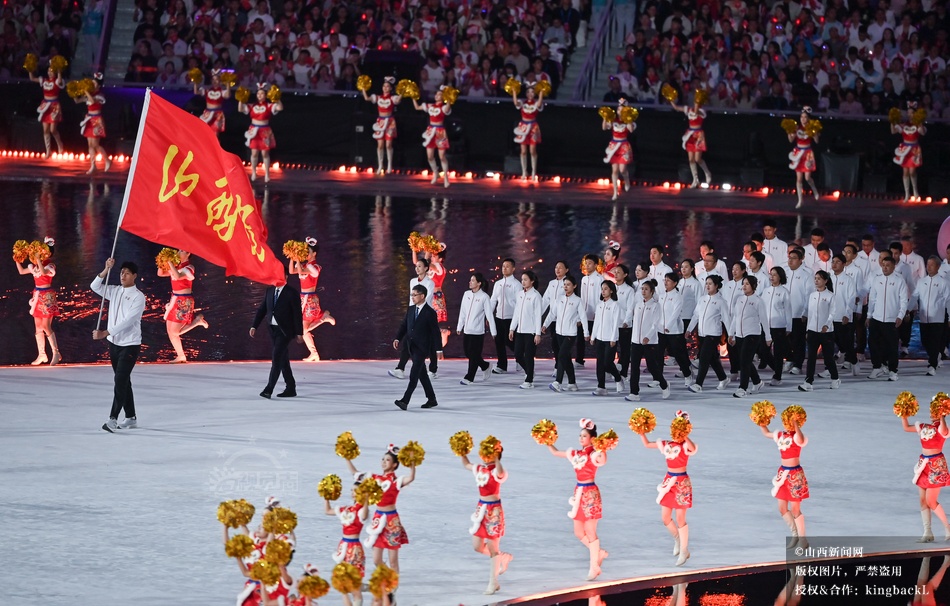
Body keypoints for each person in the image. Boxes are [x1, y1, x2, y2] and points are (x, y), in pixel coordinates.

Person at [546, 418, 609, 580]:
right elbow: (556, 452)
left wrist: (602, 448)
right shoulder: (576, 454)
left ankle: (594, 567)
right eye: (580, 436)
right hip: (579, 493)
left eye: (584, 436)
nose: (581, 438)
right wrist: (546, 440)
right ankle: (598, 553)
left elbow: (602, 460)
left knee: (590, 530)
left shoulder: (594, 454)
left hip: (590, 493)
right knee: (578, 532)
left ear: (592, 439)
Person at [91, 258, 147, 432]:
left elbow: (129, 321)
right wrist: (106, 269)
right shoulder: (114, 291)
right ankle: (131, 417)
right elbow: (95, 286)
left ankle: (112, 419)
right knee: (123, 381)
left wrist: (105, 333)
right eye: (122, 272)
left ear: (134, 276)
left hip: (130, 344)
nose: (123, 275)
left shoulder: (138, 297)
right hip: (114, 344)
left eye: (127, 273)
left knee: (120, 380)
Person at [345, 446, 416, 580]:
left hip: (391, 521)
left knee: (393, 561)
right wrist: (347, 458)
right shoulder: (374, 478)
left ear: (394, 464)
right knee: (376, 560)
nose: (383, 462)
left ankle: (393, 586)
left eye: (387, 460)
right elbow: (355, 473)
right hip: (378, 521)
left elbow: (411, 477)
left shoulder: (396, 481)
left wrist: (412, 462)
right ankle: (389, 579)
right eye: (383, 459)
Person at [640, 410, 696, 566]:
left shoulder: (685, 445)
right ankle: (677, 539)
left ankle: (684, 550)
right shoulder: (666, 444)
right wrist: (641, 432)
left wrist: (685, 435)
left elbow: (692, 449)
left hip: (682, 483)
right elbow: (647, 444)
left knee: (680, 518)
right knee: (665, 517)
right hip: (668, 482)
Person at [460, 439, 513, 594]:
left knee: (492, 547)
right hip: (481, 510)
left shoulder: (497, 471)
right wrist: (462, 452)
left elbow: (501, 472)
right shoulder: (480, 469)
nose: (485, 456)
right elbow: (466, 464)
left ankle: (493, 582)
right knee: (477, 546)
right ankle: (502, 557)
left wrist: (496, 459)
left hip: (494, 511)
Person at [758, 407, 810, 549]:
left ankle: (803, 539)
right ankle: (795, 535)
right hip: (783, 474)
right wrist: (761, 422)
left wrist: (795, 424)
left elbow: (800, 439)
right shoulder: (781, 435)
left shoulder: (797, 437)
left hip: (795, 475)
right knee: (782, 508)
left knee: (795, 509)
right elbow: (767, 433)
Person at [902, 402, 950, 543]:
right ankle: (927, 532)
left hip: (936, 467)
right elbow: (906, 427)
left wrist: (942, 416)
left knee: (931, 500)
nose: (931, 413)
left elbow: (944, 431)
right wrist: (903, 415)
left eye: (935, 411)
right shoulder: (924, 427)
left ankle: (948, 527)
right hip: (923, 465)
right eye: (931, 411)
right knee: (923, 500)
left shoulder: (942, 428)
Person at [250, 278, 303, 399]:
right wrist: (254, 326)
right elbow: (262, 309)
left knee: (277, 357)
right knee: (283, 358)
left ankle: (269, 389)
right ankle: (291, 387)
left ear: (286, 277)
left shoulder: (291, 292)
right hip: (272, 329)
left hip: (285, 331)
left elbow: (297, 313)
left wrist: (299, 332)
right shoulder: (270, 291)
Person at [393, 284, 442, 410]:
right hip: (411, 346)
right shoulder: (410, 309)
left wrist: (438, 349)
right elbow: (404, 325)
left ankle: (405, 400)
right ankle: (432, 399)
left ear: (422, 296)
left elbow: (435, 332)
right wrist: (398, 338)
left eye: (415, 295)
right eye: (412, 295)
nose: (412, 297)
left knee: (414, 374)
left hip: (422, 348)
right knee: (422, 374)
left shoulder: (429, 312)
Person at [15, 236, 62, 366]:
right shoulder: (35, 266)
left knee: (46, 326)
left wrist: (38, 260)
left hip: (47, 297)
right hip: (37, 296)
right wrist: (17, 260)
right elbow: (21, 271)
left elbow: (43, 272)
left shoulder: (50, 266)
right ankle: (42, 354)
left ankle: (56, 353)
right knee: (38, 326)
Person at [157, 249, 209, 363]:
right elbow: (160, 273)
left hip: (184, 301)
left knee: (175, 331)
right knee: (170, 331)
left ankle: (197, 321)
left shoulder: (190, 268)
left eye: (181, 251)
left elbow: (178, 276)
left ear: (188, 254)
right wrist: (162, 261)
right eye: (178, 251)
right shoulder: (176, 266)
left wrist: (170, 263)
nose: (178, 253)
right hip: (174, 299)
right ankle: (181, 356)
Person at [290, 237, 335, 362]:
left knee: (303, 329)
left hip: (310, 300)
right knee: (303, 329)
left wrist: (297, 259)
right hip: (303, 299)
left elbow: (302, 271)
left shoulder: (315, 267)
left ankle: (323, 318)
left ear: (314, 253)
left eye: (308, 252)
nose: (306, 254)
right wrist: (292, 257)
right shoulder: (305, 265)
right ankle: (314, 354)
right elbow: (292, 271)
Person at [324, 479, 368, 605]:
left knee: (353, 583)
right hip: (343, 547)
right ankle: (370, 588)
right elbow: (328, 511)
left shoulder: (361, 510)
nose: (353, 493)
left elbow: (364, 516)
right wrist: (326, 497)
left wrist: (366, 500)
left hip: (354, 548)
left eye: (356, 491)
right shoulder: (346, 509)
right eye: (352, 490)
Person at [798, 270, 844, 391]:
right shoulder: (812, 295)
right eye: (815, 278)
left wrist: (826, 325)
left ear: (825, 281)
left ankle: (835, 378)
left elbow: (832, 313)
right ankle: (808, 382)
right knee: (811, 357)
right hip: (813, 330)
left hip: (826, 332)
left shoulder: (830, 296)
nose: (816, 281)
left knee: (828, 358)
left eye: (819, 278)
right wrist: (808, 330)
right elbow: (810, 314)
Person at [389, 258, 435, 379]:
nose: (417, 268)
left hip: (425, 314)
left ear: (426, 268)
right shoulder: (412, 281)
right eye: (416, 266)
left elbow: (428, 299)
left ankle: (433, 369)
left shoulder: (430, 283)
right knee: (408, 339)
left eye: (420, 266)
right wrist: (410, 312)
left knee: (429, 341)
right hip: (413, 311)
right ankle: (400, 368)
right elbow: (411, 298)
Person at [543, 274, 588, 392]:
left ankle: (557, 382)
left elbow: (583, 317)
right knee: (566, 358)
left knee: (562, 355)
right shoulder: (559, 299)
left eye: (568, 284)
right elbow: (552, 314)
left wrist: (586, 333)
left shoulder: (577, 301)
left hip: (570, 334)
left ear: (574, 286)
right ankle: (572, 383)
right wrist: (545, 325)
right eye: (564, 285)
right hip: (559, 332)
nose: (566, 287)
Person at [686, 275, 732, 393]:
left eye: (710, 283)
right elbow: (696, 316)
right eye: (706, 283)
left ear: (716, 286)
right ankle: (723, 378)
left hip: (713, 334)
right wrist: (689, 329)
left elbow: (727, 320)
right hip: (702, 333)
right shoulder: (702, 299)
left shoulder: (721, 302)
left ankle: (698, 384)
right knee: (712, 358)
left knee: (704, 358)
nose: (707, 286)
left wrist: (731, 334)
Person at [627, 279, 670, 401]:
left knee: (652, 367)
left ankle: (664, 384)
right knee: (634, 367)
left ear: (652, 291)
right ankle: (634, 393)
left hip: (649, 342)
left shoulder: (656, 306)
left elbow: (655, 324)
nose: (643, 291)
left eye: (646, 289)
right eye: (642, 289)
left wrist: (648, 336)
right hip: (636, 341)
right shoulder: (638, 305)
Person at [867, 254, 908, 381]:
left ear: (893, 267)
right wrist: (869, 315)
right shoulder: (877, 279)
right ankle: (877, 367)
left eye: (887, 265)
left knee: (891, 346)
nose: (884, 268)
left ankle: (893, 370)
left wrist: (900, 315)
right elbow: (872, 299)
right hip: (876, 318)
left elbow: (903, 300)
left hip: (891, 319)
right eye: (883, 265)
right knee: (873, 343)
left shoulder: (899, 280)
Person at [728, 276, 770, 397]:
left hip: (752, 334)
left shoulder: (758, 301)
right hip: (739, 334)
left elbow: (764, 319)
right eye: (743, 284)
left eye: (747, 284)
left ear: (753, 286)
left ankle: (743, 387)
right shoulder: (739, 299)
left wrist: (768, 336)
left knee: (744, 361)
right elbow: (736, 317)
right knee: (744, 360)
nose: (744, 286)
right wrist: (731, 333)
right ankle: (757, 382)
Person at [911, 257, 950, 375]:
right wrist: (907, 309)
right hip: (924, 318)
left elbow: (948, 301)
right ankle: (936, 355)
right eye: (927, 264)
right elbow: (914, 296)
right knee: (925, 341)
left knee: (934, 342)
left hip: (937, 318)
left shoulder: (943, 282)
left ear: (938, 267)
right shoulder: (921, 282)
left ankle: (932, 365)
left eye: (931, 265)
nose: (929, 267)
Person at [457, 273, 497, 385]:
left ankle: (469, 377)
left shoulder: (484, 297)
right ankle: (485, 365)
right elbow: (462, 312)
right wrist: (460, 326)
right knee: (468, 353)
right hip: (467, 330)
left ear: (479, 283)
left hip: (478, 332)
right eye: (470, 280)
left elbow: (489, 315)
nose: (470, 282)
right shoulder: (466, 294)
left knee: (474, 355)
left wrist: (493, 331)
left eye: (473, 280)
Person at [239, 84, 283, 182]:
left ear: (265, 95)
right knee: (254, 153)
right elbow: (240, 109)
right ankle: (254, 172)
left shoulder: (268, 106)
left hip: (265, 131)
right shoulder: (252, 106)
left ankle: (267, 174)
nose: (260, 95)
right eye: (258, 93)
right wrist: (241, 99)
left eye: (262, 93)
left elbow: (280, 108)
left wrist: (276, 98)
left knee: (265, 153)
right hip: (254, 131)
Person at [669, 89, 712, 187]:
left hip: (698, 135)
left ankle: (707, 173)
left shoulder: (702, 111)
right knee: (691, 159)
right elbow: (676, 107)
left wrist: (698, 100)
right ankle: (695, 179)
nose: (695, 102)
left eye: (697, 100)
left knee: (698, 159)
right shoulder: (688, 109)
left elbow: (696, 112)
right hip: (690, 134)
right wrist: (671, 99)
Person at [759, 267, 793, 386]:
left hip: (779, 325)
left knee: (778, 352)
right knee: (762, 350)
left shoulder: (784, 292)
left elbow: (788, 310)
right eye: (771, 274)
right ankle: (776, 367)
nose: (772, 277)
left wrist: (789, 327)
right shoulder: (766, 291)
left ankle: (777, 376)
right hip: (765, 326)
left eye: (774, 275)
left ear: (780, 276)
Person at [509, 270, 543, 389]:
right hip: (520, 331)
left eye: (525, 279)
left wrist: (537, 333)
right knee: (518, 355)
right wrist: (512, 328)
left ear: (532, 281)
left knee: (529, 356)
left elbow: (538, 316)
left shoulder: (536, 296)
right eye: (522, 279)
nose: (523, 282)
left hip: (531, 332)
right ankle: (529, 371)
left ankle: (529, 380)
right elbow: (516, 312)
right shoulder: (520, 294)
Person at [412, 243, 450, 351]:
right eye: (432, 255)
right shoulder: (431, 268)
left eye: (434, 255)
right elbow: (417, 263)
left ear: (440, 259)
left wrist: (428, 249)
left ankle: (440, 340)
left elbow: (425, 262)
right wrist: (414, 249)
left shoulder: (440, 268)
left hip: (436, 297)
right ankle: (438, 339)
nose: (432, 257)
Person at [413, 86, 452, 188]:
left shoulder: (443, 107)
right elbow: (417, 107)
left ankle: (446, 178)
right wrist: (413, 97)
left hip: (440, 131)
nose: (437, 96)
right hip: (430, 131)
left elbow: (448, 107)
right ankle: (435, 173)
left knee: (442, 156)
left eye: (439, 94)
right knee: (430, 156)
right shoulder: (430, 106)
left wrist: (449, 97)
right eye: (436, 94)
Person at [589, 280, 624, 396]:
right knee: (600, 363)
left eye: (606, 289)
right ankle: (601, 386)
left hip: (610, 339)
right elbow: (597, 322)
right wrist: (593, 336)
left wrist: (613, 338)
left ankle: (618, 378)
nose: (603, 291)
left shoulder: (615, 305)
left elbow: (615, 323)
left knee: (607, 363)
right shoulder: (599, 305)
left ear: (611, 291)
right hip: (600, 338)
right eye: (602, 289)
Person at [362, 76, 402, 175]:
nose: (385, 88)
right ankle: (380, 165)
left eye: (387, 86)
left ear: (391, 88)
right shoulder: (378, 97)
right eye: (384, 86)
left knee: (388, 145)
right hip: (380, 121)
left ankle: (389, 165)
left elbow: (398, 101)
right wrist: (363, 88)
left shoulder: (392, 98)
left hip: (390, 122)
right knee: (380, 145)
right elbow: (367, 98)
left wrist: (402, 92)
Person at [659, 272, 693, 386]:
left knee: (678, 354)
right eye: (665, 280)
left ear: (675, 283)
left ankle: (687, 374)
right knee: (658, 354)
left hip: (674, 330)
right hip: (661, 330)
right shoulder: (662, 295)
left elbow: (676, 313)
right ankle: (658, 378)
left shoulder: (677, 296)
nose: (666, 282)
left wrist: (668, 326)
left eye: (668, 280)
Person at [784, 248, 814, 376]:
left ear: (801, 260)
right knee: (784, 339)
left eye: (794, 258)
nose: (790, 261)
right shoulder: (784, 272)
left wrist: (805, 312)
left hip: (798, 313)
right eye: (789, 258)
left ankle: (798, 364)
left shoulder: (807, 275)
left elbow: (809, 295)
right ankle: (789, 358)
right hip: (784, 313)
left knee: (798, 340)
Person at [787, 106, 820, 209]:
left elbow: (817, 141)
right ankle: (800, 200)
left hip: (807, 153)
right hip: (798, 152)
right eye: (801, 117)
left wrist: (814, 133)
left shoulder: (811, 128)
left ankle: (814, 190)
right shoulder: (797, 128)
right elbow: (791, 140)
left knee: (807, 177)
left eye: (805, 117)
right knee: (799, 179)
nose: (803, 119)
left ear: (808, 118)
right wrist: (789, 132)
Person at [892, 101, 926, 202]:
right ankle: (907, 194)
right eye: (908, 112)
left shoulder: (917, 125)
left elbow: (923, 133)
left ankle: (915, 191)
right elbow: (893, 131)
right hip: (904, 148)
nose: (910, 114)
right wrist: (892, 121)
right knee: (905, 171)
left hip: (914, 149)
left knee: (912, 171)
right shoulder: (903, 125)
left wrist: (920, 122)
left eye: (912, 112)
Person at [77, 73, 111, 174]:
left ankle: (107, 160)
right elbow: (77, 101)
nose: (92, 85)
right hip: (89, 120)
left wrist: (86, 91)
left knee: (95, 144)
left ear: (99, 86)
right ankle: (93, 165)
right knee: (90, 145)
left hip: (97, 121)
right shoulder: (89, 94)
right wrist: (74, 92)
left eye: (94, 83)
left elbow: (92, 101)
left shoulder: (100, 96)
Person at [29, 64, 65, 157]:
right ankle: (48, 151)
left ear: (55, 72)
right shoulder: (44, 80)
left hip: (54, 106)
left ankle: (60, 144)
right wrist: (30, 68)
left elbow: (60, 80)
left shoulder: (57, 81)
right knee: (45, 130)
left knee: (53, 130)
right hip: (45, 106)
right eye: (48, 71)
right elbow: (32, 78)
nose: (49, 73)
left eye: (52, 71)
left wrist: (59, 70)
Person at [490, 258, 518, 375]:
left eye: (507, 266)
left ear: (513, 268)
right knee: (499, 341)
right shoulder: (498, 284)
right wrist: (489, 315)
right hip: (498, 317)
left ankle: (521, 357)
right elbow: (493, 300)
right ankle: (501, 365)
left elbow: (519, 303)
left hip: (511, 317)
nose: (504, 268)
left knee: (510, 341)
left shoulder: (516, 284)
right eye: (503, 266)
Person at [602, 99, 634, 200]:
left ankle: (626, 179)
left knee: (622, 169)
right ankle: (615, 192)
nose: (620, 111)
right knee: (614, 170)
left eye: (622, 109)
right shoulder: (613, 119)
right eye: (619, 109)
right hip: (614, 145)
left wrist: (629, 119)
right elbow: (604, 128)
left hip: (623, 145)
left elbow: (631, 129)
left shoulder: (627, 120)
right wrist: (605, 118)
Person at [511, 82, 544, 180]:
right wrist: (514, 92)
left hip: (533, 127)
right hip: (523, 127)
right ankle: (524, 171)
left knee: (532, 150)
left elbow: (539, 104)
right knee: (523, 151)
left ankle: (533, 171)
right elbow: (516, 103)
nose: (530, 94)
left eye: (532, 92)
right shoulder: (522, 103)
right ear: (526, 94)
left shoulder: (536, 103)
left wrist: (541, 92)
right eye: (528, 92)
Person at [577, 254, 604, 368]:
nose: (587, 265)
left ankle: (602, 363)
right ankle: (579, 360)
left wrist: (598, 313)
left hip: (595, 314)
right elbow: (582, 297)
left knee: (597, 340)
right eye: (586, 263)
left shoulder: (599, 279)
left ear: (596, 265)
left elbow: (600, 297)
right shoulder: (584, 279)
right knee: (580, 337)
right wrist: (580, 313)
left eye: (590, 263)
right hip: (584, 313)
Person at [195, 68, 231, 137]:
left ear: (220, 81)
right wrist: (195, 81)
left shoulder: (222, 91)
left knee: (215, 134)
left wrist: (228, 84)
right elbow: (196, 92)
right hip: (207, 113)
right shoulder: (207, 90)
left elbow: (228, 95)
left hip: (217, 114)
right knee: (205, 132)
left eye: (216, 80)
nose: (215, 81)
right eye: (213, 80)